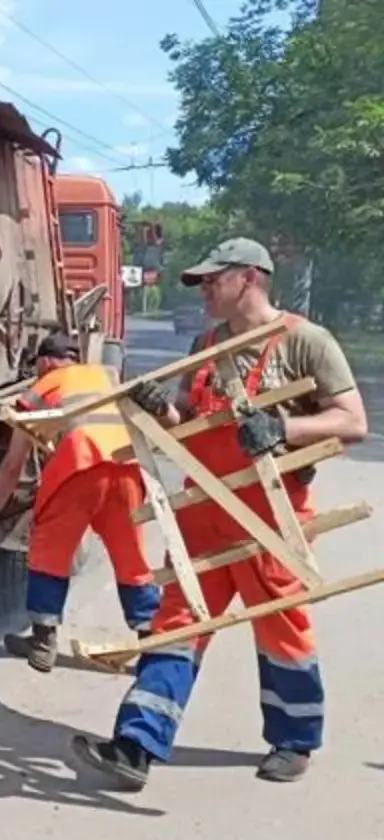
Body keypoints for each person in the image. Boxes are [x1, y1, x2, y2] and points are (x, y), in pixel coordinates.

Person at [72, 237, 368, 787]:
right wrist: (159, 405)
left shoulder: (305, 342)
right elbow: (185, 420)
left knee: (281, 629)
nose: (204, 289)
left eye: (213, 279)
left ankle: (295, 739)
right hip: (202, 513)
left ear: (248, 278)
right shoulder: (207, 345)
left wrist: (284, 429)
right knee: (174, 627)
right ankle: (136, 745)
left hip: (271, 517)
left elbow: (352, 422)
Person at [0, 331, 161, 672]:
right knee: (132, 559)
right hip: (127, 469)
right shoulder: (106, 375)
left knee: (48, 551)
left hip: (79, 467)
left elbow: (12, 464)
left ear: (46, 362)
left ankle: (43, 641)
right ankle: (152, 644)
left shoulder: (44, 385)